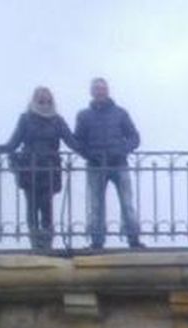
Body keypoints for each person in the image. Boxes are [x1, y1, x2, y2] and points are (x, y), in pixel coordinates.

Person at [0, 87, 78, 252]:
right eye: (41, 100)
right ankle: (35, 243)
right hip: (29, 168)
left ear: (51, 101)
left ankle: (46, 244)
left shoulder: (57, 120)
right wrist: (4, 148)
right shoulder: (25, 119)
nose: (44, 102)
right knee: (32, 207)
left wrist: (88, 151)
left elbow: (71, 142)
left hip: (49, 168)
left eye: (47, 100)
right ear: (34, 100)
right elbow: (15, 141)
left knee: (47, 207)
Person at [73, 77, 143, 249]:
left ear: (107, 91)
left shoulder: (120, 113)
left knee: (127, 203)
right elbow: (77, 141)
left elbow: (134, 137)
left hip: (119, 163)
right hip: (96, 165)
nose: (100, 92)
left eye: (102, 88)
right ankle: (97, 241)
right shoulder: (84, 116)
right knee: (96, 204)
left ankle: (133, 239)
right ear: (92, 92)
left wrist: (122, 150)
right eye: (97, 89)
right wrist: (90, 155)